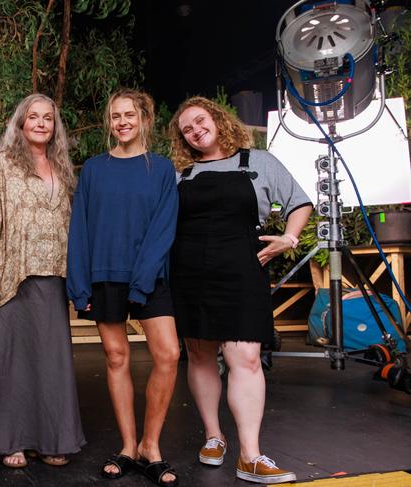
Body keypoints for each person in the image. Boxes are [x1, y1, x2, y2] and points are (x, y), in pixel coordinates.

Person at [168, 96, 313, 485]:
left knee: (246, 358)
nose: (196, 131)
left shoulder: (259, 161)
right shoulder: (180, 173)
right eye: (187, 129)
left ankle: (250, 455)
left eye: (200, 122)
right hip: (190, 272)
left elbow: (300, 202)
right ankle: (213, 437)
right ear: (183, 139)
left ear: (216, 119)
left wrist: (290, 237)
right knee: (199, 355)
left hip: (242, 270)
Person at [0, 93, 86, 469]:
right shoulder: (1, 165)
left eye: (48, 118)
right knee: (11, 364)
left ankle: (50, 440)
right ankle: (11, 441)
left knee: (50, 364)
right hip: (10, 275)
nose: (41, 123)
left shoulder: (63, 169)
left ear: (55, 127)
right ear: (20, 123)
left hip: (52, 278)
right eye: (33, 117)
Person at [67, 88, 180, 487]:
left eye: (129, 114)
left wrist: (143, 277)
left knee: (168, 354)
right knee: (117, 358)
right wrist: (78, 284)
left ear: (144, 118)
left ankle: (152, 446)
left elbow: (164, 228)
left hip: (148, 275)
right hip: (104, 275)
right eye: (115, 116)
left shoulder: (162, 169)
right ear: (109, 123)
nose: (122, 122)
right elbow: (79, 227)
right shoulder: (94, 169)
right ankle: (129, 446)